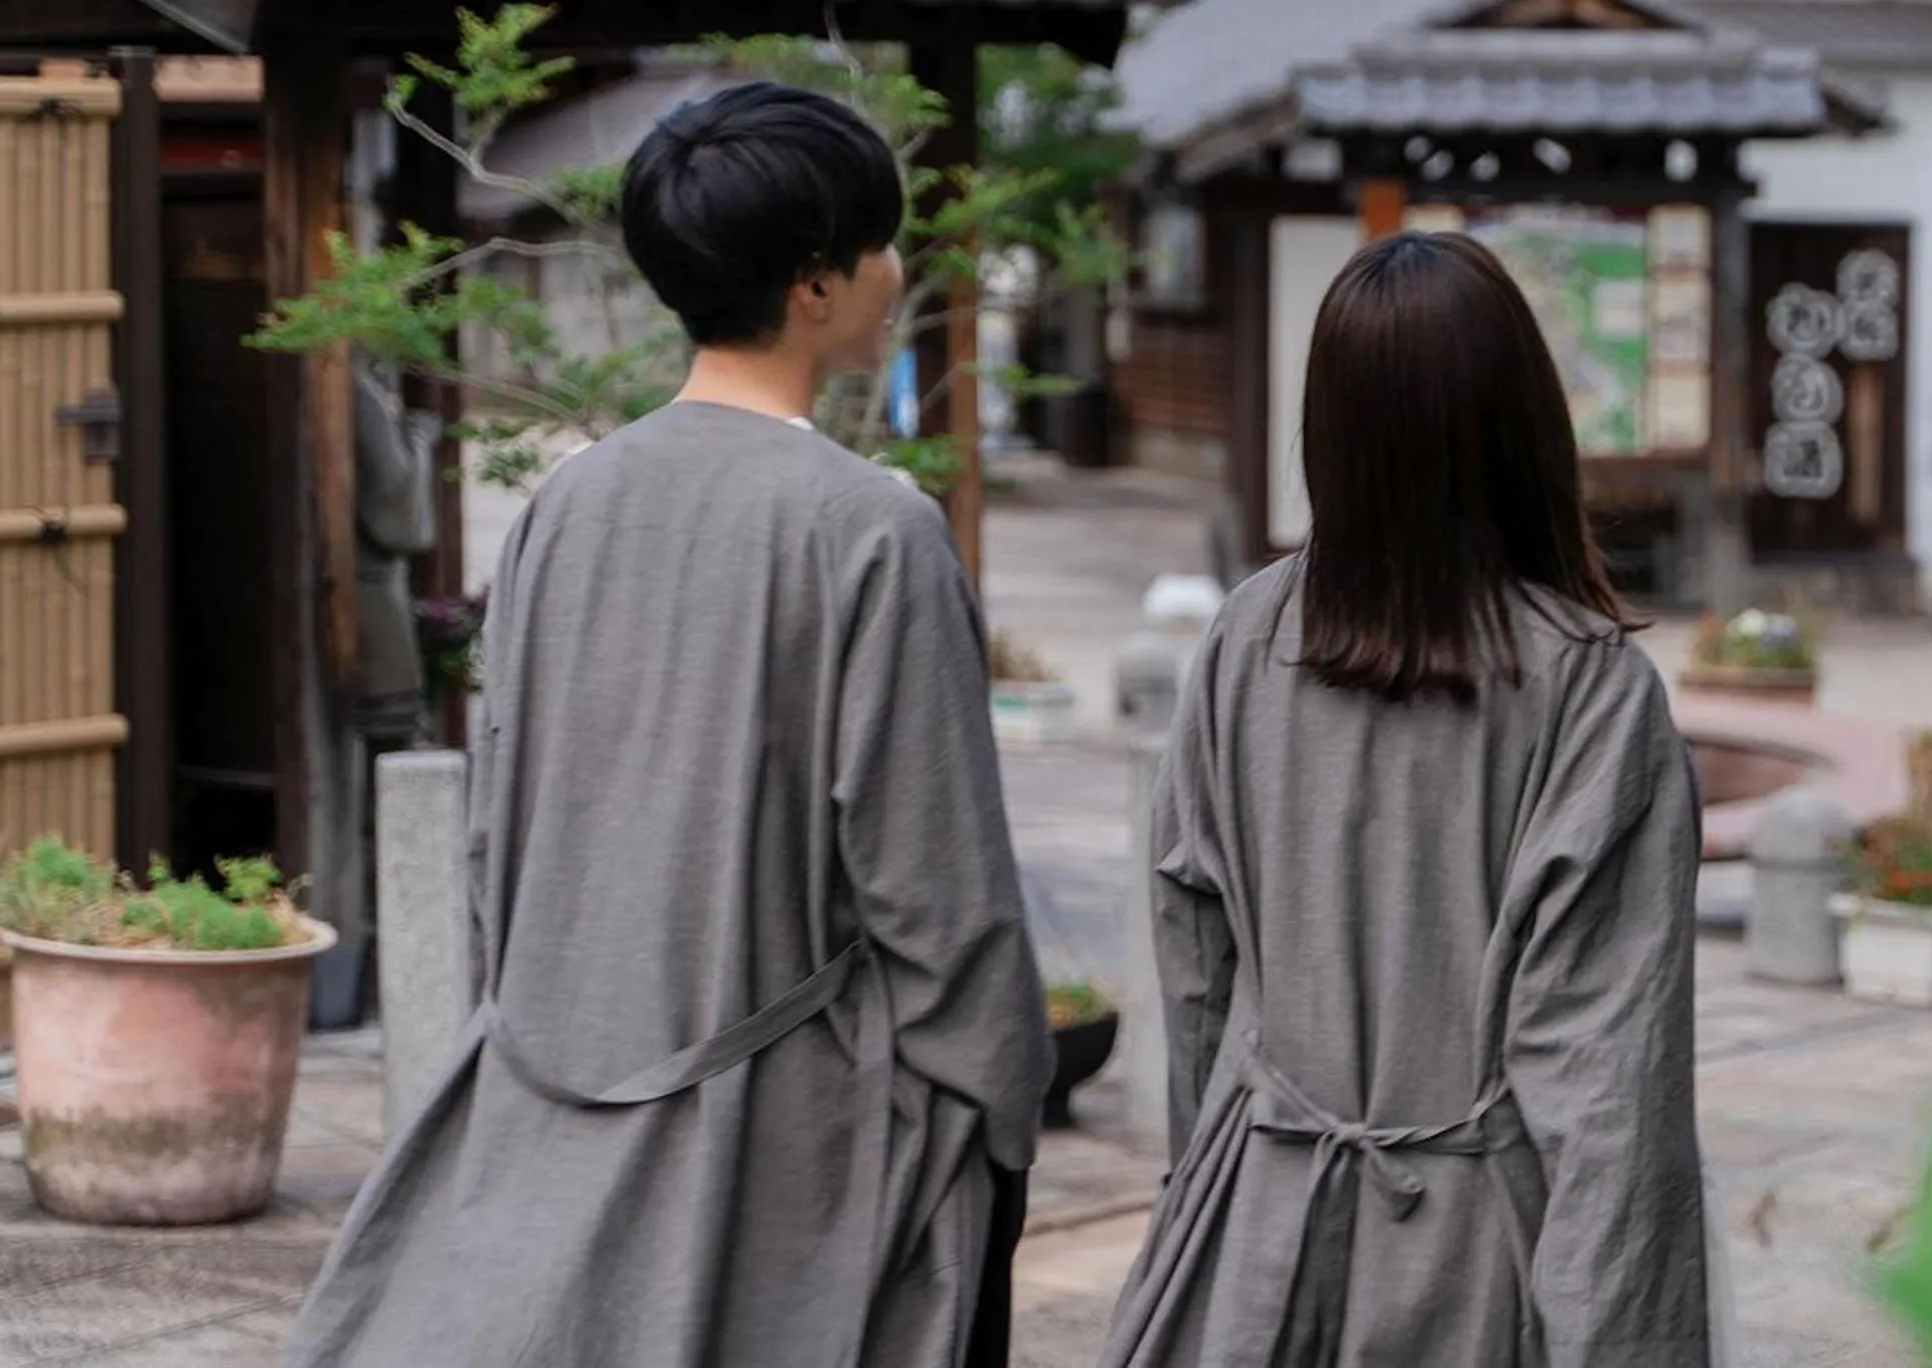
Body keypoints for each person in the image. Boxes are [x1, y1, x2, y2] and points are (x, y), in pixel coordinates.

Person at [286, 83, 1050, 1367]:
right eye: (879, 239)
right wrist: (1000, 1108)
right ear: (815, 286)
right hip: (790, 1125)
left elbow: (499, 836)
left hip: (556, 1084)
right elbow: (940, 896)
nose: (896, 264)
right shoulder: (872, 528)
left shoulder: (568, 505)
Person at [1099, 232, 1713, 1367]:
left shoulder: (1248, 636)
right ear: (1524, 423)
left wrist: (1210, 1179)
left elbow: (1195, 965)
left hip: (1254, 1241)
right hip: (1478, 1264)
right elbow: (1609, 1096)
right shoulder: (1586, 687)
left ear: (1327, 429)